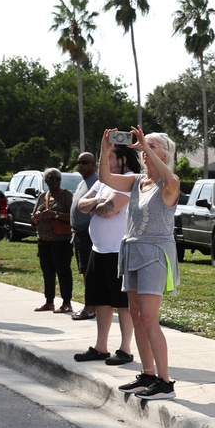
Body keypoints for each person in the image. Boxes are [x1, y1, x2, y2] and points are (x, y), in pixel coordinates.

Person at [98, 127, 181, 401]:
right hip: (132, 251)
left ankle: (165, 382)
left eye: (152, 147)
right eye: (144, 146)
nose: (144, 150)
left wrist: (145, 146)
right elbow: (105, 177)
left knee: (148, 318)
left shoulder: (170, 183)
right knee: (136, 317)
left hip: (155, 254)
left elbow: (169, 179)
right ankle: (147, 375)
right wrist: (105, 149)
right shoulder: (136, 181)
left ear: (165, 155)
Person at [73, 145, 139, 366]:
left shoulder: (128, 179)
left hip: (119, 251)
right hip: (98, 250)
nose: (104, 160)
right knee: (100, 300)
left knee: (122, 304)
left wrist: (97, 205)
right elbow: (81, 205)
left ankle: (125, 349)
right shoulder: (104, 180)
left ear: (123, 159)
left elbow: (110, 210)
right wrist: (97, 204)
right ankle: (101, 348)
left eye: (109, 156)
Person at [31, 168, 74, 314]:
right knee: (48, 272)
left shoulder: (67, 195)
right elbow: (32, 219)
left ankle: (67, 303)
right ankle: (49, 302)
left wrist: (55, 214)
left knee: (63, 272)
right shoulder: (43, 196)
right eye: (52, 178)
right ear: (46, 181)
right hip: (44, 241)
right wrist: (37, 216)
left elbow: (73, 217)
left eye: (57, 178)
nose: (55, 181)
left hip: (61, 241)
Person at [70, 152, 99, 321]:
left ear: (93, 164)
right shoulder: (83, 182)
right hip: (79, 233)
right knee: (85, 271)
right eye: (79, 162)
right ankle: (92, 305)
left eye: (85, 162)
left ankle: (90, 308)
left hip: (88, 234)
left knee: (90, 272)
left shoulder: (96, 182)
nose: (80, 165)